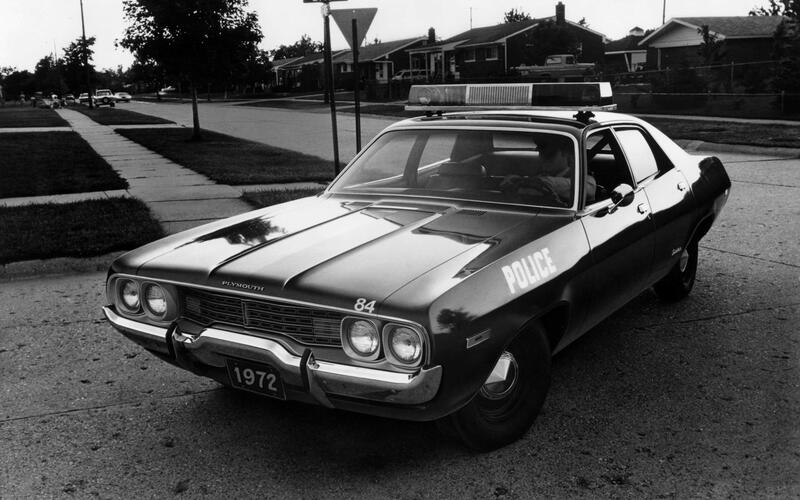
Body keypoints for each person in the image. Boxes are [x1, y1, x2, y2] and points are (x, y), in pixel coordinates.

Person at [501, 134, 596, 206]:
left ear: (565, 153)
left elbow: (580, 188)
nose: (543, 158)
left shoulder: (586, 181)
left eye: (549, 155)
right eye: (541, 153)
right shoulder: (540, 175)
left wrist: (523, 182)